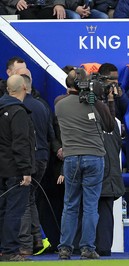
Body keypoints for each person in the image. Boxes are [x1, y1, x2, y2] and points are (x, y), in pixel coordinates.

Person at [55, 68, 114, 260]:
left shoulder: (59, 104)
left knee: (70, 205)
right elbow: (110, 125)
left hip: (71, 158)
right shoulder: (94, 104)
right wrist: (96, 98)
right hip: (94, 157)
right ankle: (87, 248)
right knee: (90, 206)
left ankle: (65, 248)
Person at [17, 71, 54, 256]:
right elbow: (50, 135)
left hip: (27, 160)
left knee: (23, 200)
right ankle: (37, 239)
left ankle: (24, 246)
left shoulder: (18, 107)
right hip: (43, 159)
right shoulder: (42, 105)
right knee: (30, 199)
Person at [0, 75, 35, 261]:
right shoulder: (18, 112)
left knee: (3, 211)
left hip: (2, 169)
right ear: (24, 88)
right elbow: (21, 143)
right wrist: (26, 171)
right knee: (14, 211)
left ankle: (4, 249)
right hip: (15, 171)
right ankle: (10, 251)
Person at [95, 63, 126, 256]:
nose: (113, 84)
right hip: (103, 169)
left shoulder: (113, 119)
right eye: (110, 81)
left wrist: (118, 98)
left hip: (108, 169)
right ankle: (96, 247)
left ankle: (98, 247)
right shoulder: (98, 113)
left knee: (102, 207)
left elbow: (122, 114)